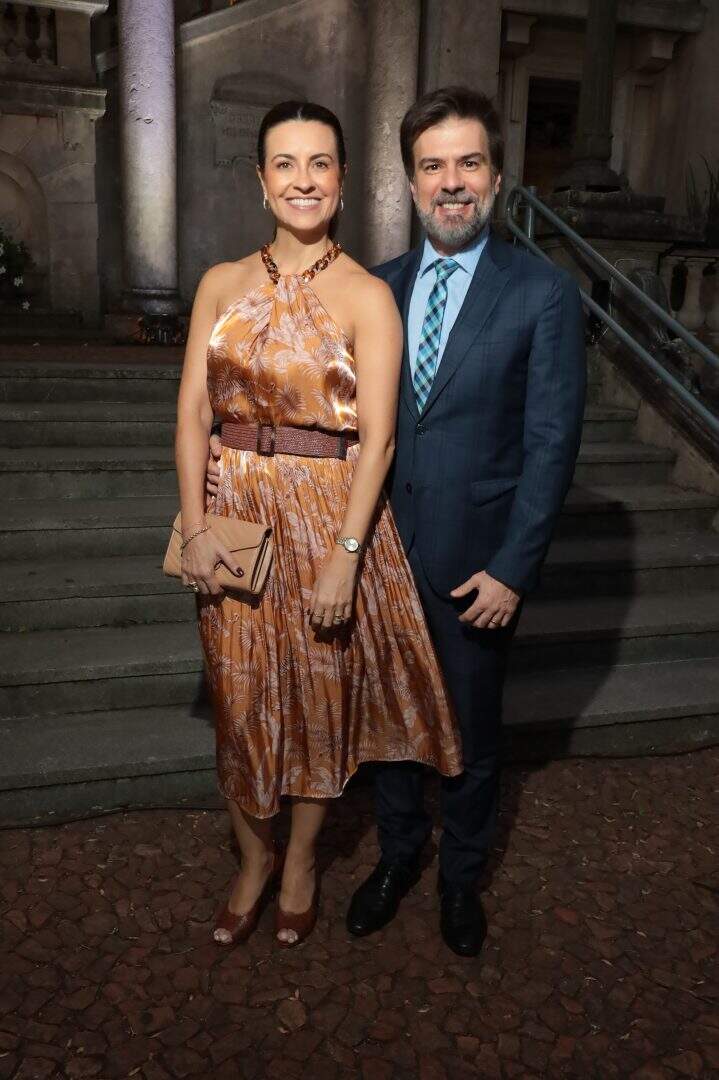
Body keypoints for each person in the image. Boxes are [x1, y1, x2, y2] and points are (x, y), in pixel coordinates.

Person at [209, 85, 586, 957]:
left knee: (470, 732)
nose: (451, 182)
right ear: (410, 182)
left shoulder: (541, 294)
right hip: (373, 548)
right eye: (432, 166)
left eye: (468, 163)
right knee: (383, 727)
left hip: (471, 563)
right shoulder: (376, 285)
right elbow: (334, 420)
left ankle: (460, 882)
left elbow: (551, 445)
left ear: (496, 176)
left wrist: (514, 568)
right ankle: (396, 856)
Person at [175, 100, 462, 949]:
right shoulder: (219, 284)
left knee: (314, 707)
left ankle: (298, 860)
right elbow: (191, 415)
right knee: (237, 702)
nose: (303, 180)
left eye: (320, 163)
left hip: (324, 516)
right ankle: (252, 858)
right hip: (232, 514)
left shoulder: (367, 295)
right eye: (285, 163)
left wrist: (345, 556)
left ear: (341, 180)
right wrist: (195, 524)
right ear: (260, 181)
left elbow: (379, 439)